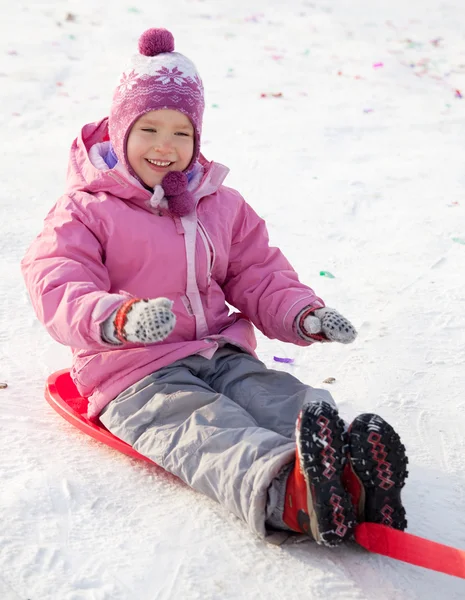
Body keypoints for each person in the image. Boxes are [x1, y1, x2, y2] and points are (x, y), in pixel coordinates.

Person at [21, 28, 408, 546]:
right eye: (149, 129)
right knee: (205, 427)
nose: (165, 146)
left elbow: (255, 271)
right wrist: (120, 318)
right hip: (136, 372)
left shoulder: (217, 202)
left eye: (182, 133)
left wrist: (302, 313)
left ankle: (349, 469)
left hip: (217, 351)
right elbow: (58, 283)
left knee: (279, 396)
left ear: (198, 137)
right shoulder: (85, 211)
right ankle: (287, 493)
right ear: (118, 130)